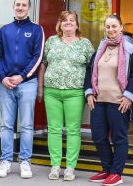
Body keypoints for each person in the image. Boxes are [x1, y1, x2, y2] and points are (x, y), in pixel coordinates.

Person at [84, 14, 133, 186]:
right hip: (99, 100)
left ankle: (116, 173)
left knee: (119, 139)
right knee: (99, 137)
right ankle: (107, 169)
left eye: (114, 26)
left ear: (121, 28)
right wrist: (89, 93)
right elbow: (90, 72)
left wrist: (128, 96)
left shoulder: (130, 49)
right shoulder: (101, 48)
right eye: (108, 26)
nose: (111, 30)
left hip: (119, 101)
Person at [37, 11, 94, 181]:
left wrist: (90, 91)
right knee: (53, 129)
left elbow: (92, 70)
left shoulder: (85, 44)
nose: (68, 23)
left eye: (71, 20)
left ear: (77, 25)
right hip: (51, 92)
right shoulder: (51, 41)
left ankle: (70, 167)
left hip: (75, 93)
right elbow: (43, 65)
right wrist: (40, 88)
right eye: (64, 20)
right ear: (60, 25)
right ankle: (55, 166)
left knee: (73, 130)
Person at [0, 0, 44, 179]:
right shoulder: (4, 30)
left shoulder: (36, 29)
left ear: (29, 9)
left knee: (26, 125)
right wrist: (3, 77)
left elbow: (37, 57)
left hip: (27, 84)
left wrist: (22, 76)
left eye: (24, 5)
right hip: (5, 84)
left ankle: (25, 162)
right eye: (17, 4)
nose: (20, 7)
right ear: (13, 7)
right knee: (6, 124)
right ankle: (5, 161)